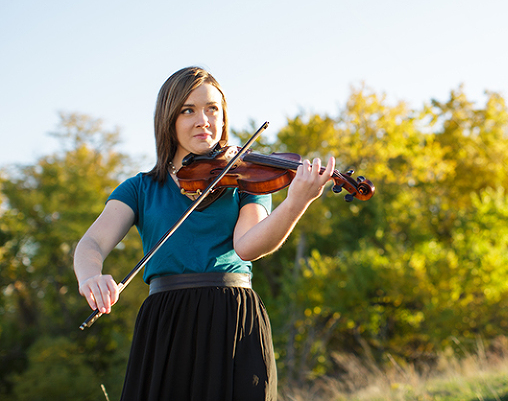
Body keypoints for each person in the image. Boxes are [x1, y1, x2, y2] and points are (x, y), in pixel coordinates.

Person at [74, 66, 334, 401]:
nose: (203, 120)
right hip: (167, 322)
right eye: (188, 110)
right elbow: (91, 242)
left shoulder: (246, 177)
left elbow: (248, 246)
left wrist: (296, 202)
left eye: (213, 108)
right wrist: (90, 276)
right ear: (168, 120)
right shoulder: (140, 188)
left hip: (232, 317)